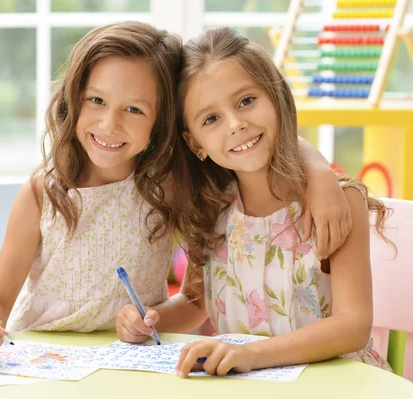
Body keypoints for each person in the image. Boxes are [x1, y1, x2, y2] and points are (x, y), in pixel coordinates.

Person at [0, 22, 351, 364]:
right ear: (74, 98)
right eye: (96, 100)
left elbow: (246, 140)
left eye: (135, 110)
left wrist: (318, 170)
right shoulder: (44, 192)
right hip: (41, 357)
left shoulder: (172, 184)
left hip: (133, 360)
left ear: (161, 122)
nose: (110, 124)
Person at [115, 27, 392, 377]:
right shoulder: (212, 209)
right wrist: (147, 320)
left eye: (247, 101)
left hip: (337, 384)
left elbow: (353, 326)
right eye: (211, 119)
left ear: (276, 98)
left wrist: (250, 355)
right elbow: (195, 302)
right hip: (249, 384)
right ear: (195, 143)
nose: (236, 124)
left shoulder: (337, 201)